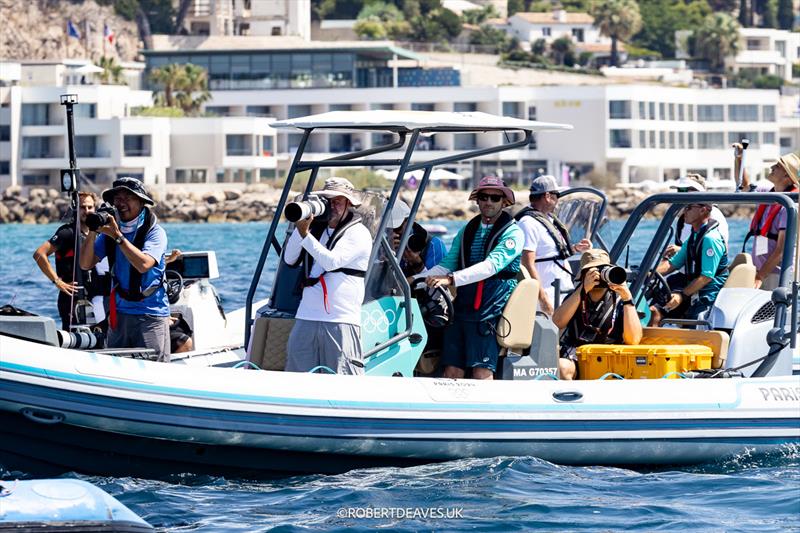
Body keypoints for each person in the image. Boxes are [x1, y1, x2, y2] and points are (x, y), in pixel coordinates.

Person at [422, 176, 524, 380]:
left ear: (504, 202)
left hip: (491, 308)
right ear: (477, 200)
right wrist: (413, 279)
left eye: (494, 198)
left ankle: (487, 411)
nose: (488, 201)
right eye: (484, 196)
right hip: (463, 306)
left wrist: (451, 280)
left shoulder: (513, 233)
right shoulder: (467, 230)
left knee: (481, 371)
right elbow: (447, 263)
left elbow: (490, 266)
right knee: (451, 370)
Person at [282, 177, 372, 375]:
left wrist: (306, 235)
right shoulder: (315, 230)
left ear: (349, 203)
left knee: (342, 379)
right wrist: (301, 228)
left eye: (337, 201)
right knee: (298, 379)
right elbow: (289, 259)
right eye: (327, 201)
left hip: (341, 318)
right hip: (306, 315)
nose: (332, 206)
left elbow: (332, 261)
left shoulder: (358, 233)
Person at [79, 177, 171, 361]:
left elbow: (144, 265)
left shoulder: (155, 232)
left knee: (154, 371)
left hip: (150, 314)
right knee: (116, 369)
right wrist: (93, 230)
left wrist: (118, 236)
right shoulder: (110, 232)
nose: (121, 204)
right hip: (119, 314)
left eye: (127, 198)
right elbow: (85, 263)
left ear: (142, 202)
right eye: (117, 199)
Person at [553, 249, 642, 380]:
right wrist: (582, 290)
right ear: (583, 274)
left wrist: (627, 298)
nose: (599, 275)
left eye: (603, 269)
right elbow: (557, 322)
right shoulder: (576, 297)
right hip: (578, 357)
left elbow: (633, 340)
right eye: (593, 270)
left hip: (610, 358)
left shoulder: (621, 300)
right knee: (562, 367)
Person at [515, 175, 591, 316]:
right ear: (548, 196)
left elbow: (550, 253)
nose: (558, 199)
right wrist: (543, 299)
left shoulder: (548, 220)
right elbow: (526, 263)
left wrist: (575, 249)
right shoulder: (528, 223)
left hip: (562, 294)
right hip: (547, 297)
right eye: (557, 195)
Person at [33, 191, 109, 330]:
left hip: (95, 297)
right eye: (82, 207)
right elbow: (39, 254)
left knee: (99, 338)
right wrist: (57, 281)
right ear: (75, 208)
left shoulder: (98, 234)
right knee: (76, 340)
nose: (87, 211)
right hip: (72, 298)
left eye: (90, 207)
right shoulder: (67, 232)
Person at [649, 201, 729, 326]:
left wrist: (682, 295)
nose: (684, 211)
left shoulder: (711, 239)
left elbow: (706, 277)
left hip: (707, 296)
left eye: (689, 208)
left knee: (689, 321)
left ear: (703, 210)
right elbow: (672, 264)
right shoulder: (694, 236)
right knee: (655, 311)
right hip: (693, 291)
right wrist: (647, 273)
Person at [735, 147, 800, 290]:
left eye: (777, 166)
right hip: (760, 270)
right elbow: (745, 187)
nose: (771, 167)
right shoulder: (767, 194)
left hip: (777, 274)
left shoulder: (789, 206)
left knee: (773, 312)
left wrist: (760, 277)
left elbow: (781, 249)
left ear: (787, 176)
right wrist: (739, 159)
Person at [665, 174, 729, 255]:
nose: (680, 195)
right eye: (679, 190)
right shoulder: (684, 218)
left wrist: (680, 250)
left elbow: (717, 250)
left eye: (684, 190)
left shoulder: (714, 215)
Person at [388, 199, 447, 277]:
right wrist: (386, 255)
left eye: (397, 228)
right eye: (388, 229)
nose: (393, 233)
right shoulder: (380, 243)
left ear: (410, 221)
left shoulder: (433, 245)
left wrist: (417, 264)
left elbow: (437, 284)